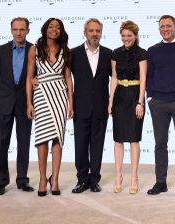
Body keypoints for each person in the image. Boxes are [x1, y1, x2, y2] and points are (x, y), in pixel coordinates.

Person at [146, 15, 175, 198]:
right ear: (159, 29)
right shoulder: (152, 50)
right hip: (158, 102)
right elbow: (149, 75)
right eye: (162, 26)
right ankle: (160, 182)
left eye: (169, 26)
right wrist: (149, 97)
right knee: (160, 144)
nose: (165, 29)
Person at [25, 18, 74, 197]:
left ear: (61, 31)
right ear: (45, 29)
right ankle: (42, 179)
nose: (54, 30)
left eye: (58, 27)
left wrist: (71, 104)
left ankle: (55, 180)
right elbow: (30, 77)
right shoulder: (34, 50)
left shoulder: (66, 51)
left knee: (57, 138)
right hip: (41, 96)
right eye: (51, 27)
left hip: (60, 97)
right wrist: (29, 102)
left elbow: (68, 79)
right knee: (42, 137)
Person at [0, 17, 34, 195]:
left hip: (25, 103)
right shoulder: (0, 50)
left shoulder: (34, 50)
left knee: (24, 142)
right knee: (1, 142)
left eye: (22, 29)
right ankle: (0, 181)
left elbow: (36, 74)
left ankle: (22, 180)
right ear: (11, 30)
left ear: (28, 31)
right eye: (15, 29)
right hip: (4, 102)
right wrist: (5, 90)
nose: (18, 33)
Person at [70, 18, 112, 194]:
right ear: (85, 32)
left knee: (97, 143)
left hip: (101, 107)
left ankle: (94, 179)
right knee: (80, 144)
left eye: (97, 31)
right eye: (91, 31)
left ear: (101, 33)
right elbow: (61, 76)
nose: (95, 34)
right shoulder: (73, 53)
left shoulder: (109, 54)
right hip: (80, 106)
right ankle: (82, 179)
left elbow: (117, 78)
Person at [108, 20, 147, 194]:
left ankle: (134, 177)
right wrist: (110, 102)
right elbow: (114, 78)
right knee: (118, 139)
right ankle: (118, 176)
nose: (126, 39)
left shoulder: (142, 53)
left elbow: (144, 79)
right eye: (123, 36)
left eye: (129, 36)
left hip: (135, 96)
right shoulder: (115, 53)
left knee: (133, 138)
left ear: (135, 36)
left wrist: (140, 102)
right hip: (120, 97)